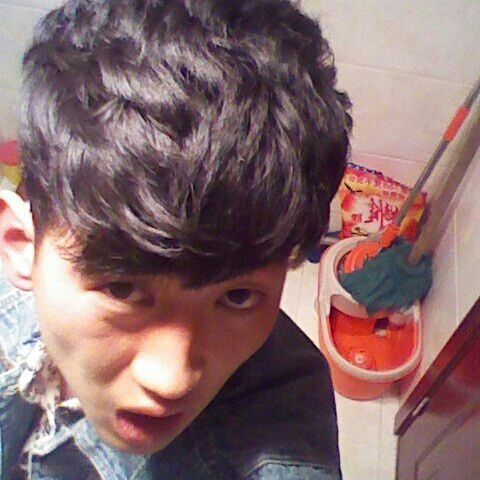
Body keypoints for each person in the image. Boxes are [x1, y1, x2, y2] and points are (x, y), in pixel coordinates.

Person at [0, 0, 352, 478]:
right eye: (122, 289)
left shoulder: (278, 444)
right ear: (20, 244)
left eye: (238, 296)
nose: (173, 380)